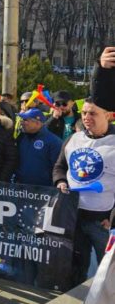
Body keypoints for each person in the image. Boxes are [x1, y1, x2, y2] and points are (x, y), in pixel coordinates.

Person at [54, 99, 115, 287]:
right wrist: (61, 181)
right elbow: (60, 166)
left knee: (109, 269)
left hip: (103, 221)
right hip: (74, 216)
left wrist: (113, 218)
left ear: (109, 115)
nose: (87, 117)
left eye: (93, 113)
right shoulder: (74, 138)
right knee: (76, 265)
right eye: (84, 113)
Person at [14, 108, 62, 186]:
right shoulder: (21, 137)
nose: (22, 122)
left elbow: (58, 168)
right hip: (20, 189)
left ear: (37, 123)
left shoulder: (54, 142)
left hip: (43, 191)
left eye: (25, 120)